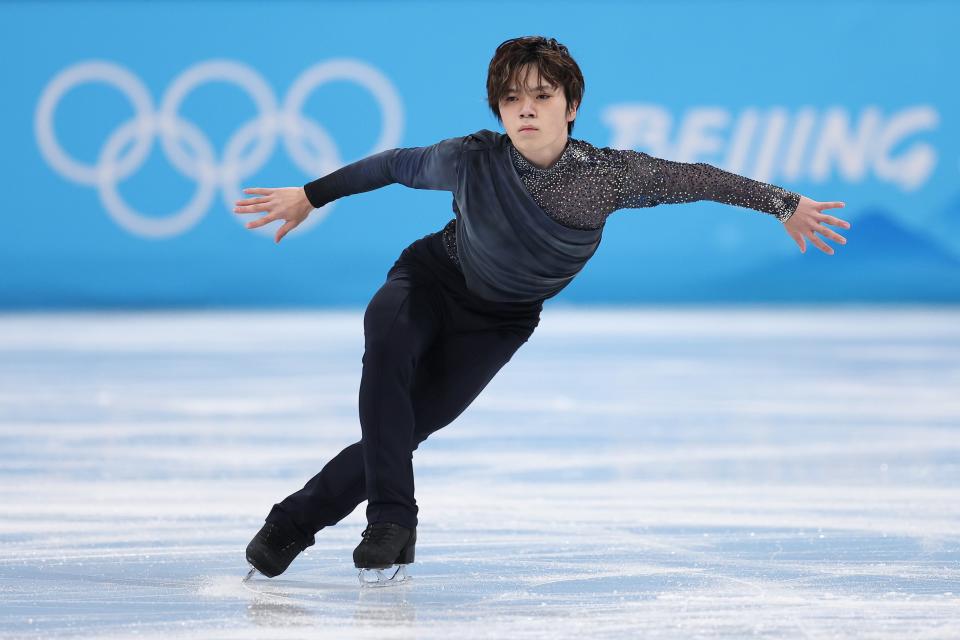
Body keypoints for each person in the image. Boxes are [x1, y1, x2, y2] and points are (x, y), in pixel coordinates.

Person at [237, 36, 851, 583]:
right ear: (499, 112)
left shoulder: (606, 177)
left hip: (501, 322)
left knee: (408, 426)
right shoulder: (471, 158)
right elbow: (394, 164)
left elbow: (697, 179)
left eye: (540, 95)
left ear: (571, 105)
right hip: (430, 280)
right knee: (387, 348)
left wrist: (783, 202)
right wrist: (310, 196)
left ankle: (290, 525)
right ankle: (392, 524)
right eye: (510, 99)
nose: (524, 108)